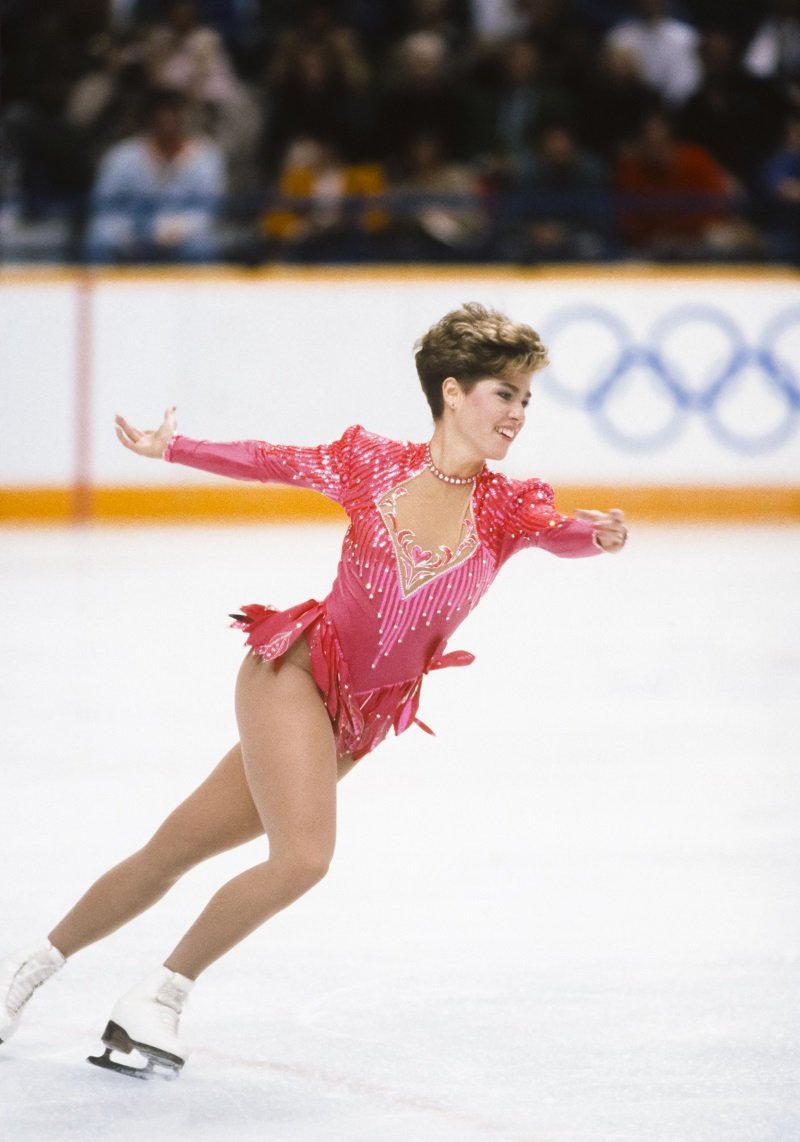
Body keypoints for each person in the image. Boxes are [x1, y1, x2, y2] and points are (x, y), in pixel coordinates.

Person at [0, 303, 627, 1081]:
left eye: (527, 398)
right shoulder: (372, 464)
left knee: (174, 850)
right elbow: (272, 460)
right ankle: (159, 996)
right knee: (302, 858)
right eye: (506, 394)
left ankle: (23, 968)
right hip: (292, 675)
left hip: (355, 723)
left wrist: (595, 538)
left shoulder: (506, 507)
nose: (520, 413)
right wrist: (176, 447)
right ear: (454, 392)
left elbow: (560, 531)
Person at [83, 87, 225, 264]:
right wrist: (122, 233)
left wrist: (178, 229)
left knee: (201, 245)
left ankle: (198, 290)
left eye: (174, 117)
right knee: (100, 237)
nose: (168, 124)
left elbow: (207, 209)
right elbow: (105, 205)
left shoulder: (206, 156)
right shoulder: (122, 155)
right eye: (162, 118)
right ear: (151, 120)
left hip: (181, 232)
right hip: (131, 228)